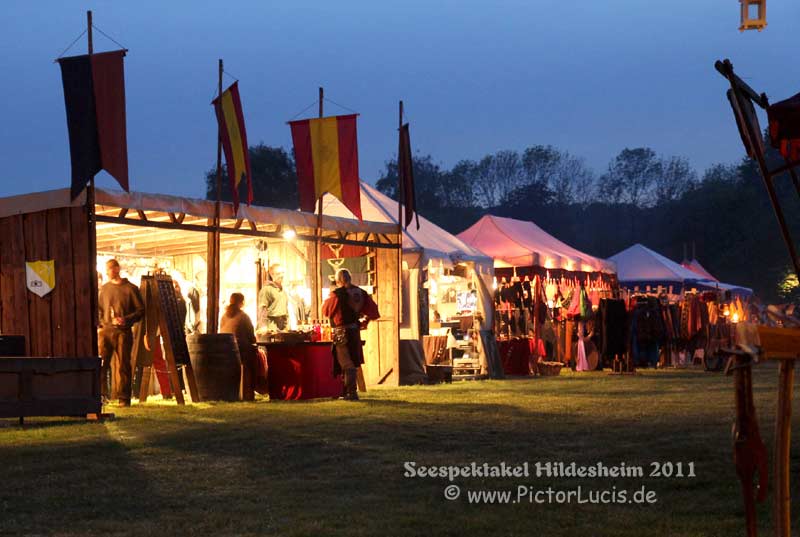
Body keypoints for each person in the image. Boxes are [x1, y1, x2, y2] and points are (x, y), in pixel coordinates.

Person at [321, 268, 380, 401]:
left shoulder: (336, 294)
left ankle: (351, 392)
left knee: (346, 362)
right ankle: (347, 391)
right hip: (355, 331)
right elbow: (374, 311)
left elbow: (326, 311)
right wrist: (365, 322)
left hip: (342, 332)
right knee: (352, 360)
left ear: (338, 280)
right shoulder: (361, 292)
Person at [98, 259, 145, 406]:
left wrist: (126, 319)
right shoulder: (104, 289)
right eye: (107, 269)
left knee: (124, 365)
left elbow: (140, 310)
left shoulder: (131, 289)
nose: (107, 272)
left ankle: (124, 398)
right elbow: (98, 309)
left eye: (110, 269)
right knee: (101, 365)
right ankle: (100, 396)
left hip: (123, 333)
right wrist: (101, 323)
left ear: (117, 269)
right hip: (105, 332)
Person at [220, 293, 258, 401]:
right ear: (241, 302)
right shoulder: (243, 316)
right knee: (254, 358)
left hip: (225, 348)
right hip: (240, 349)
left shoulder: (224, 316)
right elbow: (251, 335)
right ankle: (249, 390)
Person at [257, 263, 289, 333]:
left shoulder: (283, 291)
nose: (281, 275)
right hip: (270, 328)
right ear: (272, 275)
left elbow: (286, 311)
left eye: (282, 273)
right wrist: (263, 326)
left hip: (282, 329)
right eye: (278, 273)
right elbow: (262, 308)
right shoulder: (266, 290)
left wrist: (287, 325)